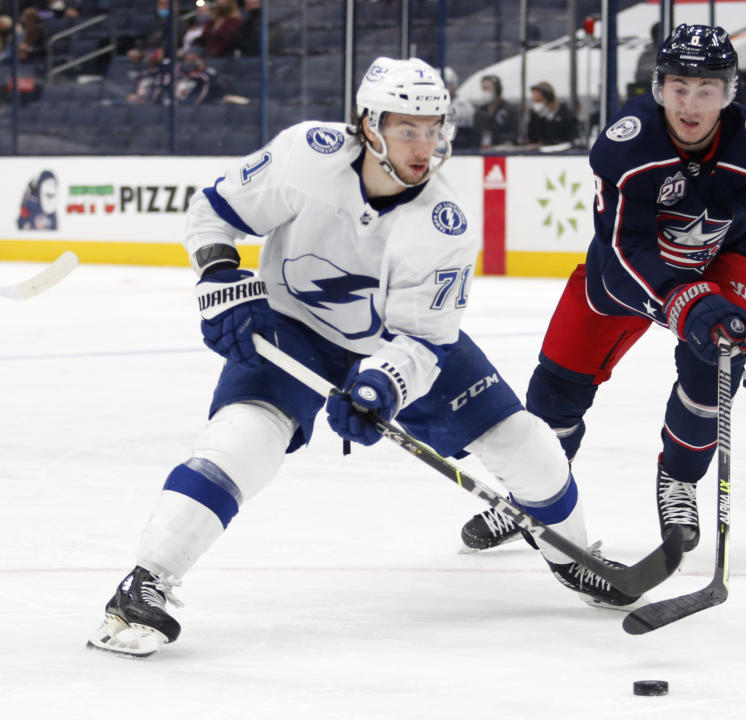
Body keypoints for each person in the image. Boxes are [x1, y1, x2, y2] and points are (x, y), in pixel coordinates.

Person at [88, 56, 641, 658]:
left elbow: (426, 340)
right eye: (408, 128)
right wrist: (221, 278)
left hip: (391, 341)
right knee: (243, 439)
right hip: (293, 326)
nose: (424, 145)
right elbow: (215, 213)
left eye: (434, 128)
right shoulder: (307, 155)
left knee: (523, 442)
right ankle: (144, 584)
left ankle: (574, 556)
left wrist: (383, 385)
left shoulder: (445, 223)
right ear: (369, 125)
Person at [460, 25, 746, 555]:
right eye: (679, 87)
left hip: (718, 267)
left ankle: (679, 482)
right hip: (625, 279)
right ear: (659, 87)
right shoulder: (626, 145)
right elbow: (622, 254)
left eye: (707, 89)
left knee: (712, 376)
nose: (690, 104)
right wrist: (684, 302)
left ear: (730, 93)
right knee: (554, 393)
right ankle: (531, 497)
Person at [526, 81, 578, 147]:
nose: (537, 105)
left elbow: (572, 138)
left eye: (539, 101)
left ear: (549, 99)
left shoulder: (566, 115)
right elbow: (532, 139)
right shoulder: (535, 116)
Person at [473, 74, 518, 148]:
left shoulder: (509, 110)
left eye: (487, 88)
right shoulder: (479, 112)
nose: (484, 92)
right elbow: (475, 134)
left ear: (497, 90)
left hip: (503, 151)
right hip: (481, 152)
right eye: (483, 89)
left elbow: (514, 135)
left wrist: (495, 137)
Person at [442, 66, 476, 149]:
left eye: (447, 85)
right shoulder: (433, 103)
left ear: (453, 85)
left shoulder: (463, 104)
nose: (444, 88)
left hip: (458, 146)